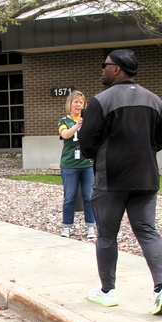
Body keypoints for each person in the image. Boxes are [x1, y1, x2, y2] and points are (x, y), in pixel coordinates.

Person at [78, 49, 162, 315]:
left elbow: (87, 140)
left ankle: (108, 292)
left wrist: (97, 157)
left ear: (117, 68)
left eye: (104, 66)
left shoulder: (101, 101)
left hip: (111, 180)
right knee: (147, 231)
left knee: (107, 235)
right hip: (146, 177)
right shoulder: (155, 100)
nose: (102, 70)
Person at [57, 90, 96, 239]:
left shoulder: (88, 120)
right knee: (70, 196)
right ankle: (66, 227)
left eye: (81, 102)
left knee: (89, 196)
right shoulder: (63, 121)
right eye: (76, 102)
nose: (78, 105)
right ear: (70, 104)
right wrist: (77, 126)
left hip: (86, 164)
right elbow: (65, 134)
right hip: (69, 165)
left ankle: (91, 227)